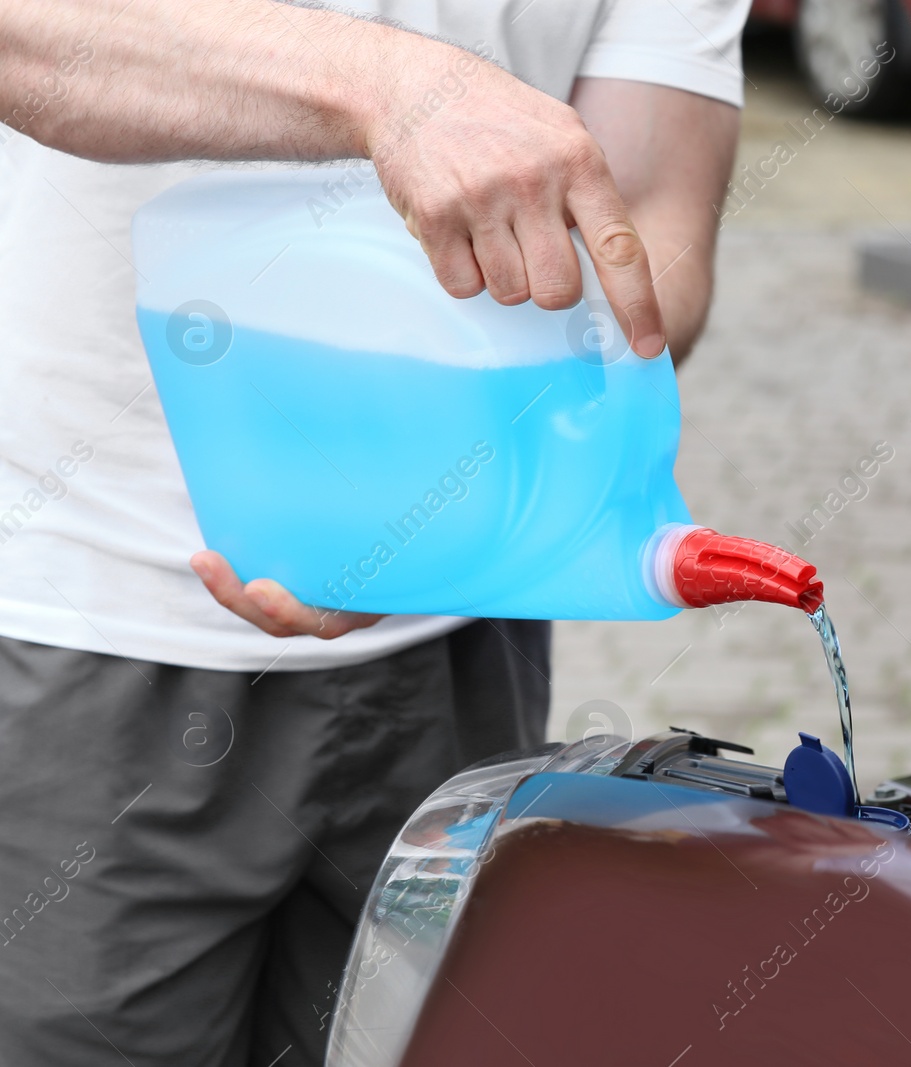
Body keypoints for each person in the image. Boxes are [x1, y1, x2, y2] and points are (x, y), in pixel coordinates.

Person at [0, 0, 747, 1062]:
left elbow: (654, 233)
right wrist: (386, 91)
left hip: (455, 647)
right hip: (86, 625)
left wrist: (438, 516)